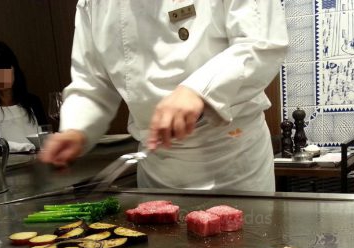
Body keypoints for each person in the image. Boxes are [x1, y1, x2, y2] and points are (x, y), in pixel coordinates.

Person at [39, 1, 288, 192]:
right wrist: (75, 129)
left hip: (232, 162)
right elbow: (93, 83)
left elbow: (262, 43)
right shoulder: (94, 3)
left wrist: (199, 90)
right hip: (156, 166)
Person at [0, 41, 47, 151]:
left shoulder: (33, 101)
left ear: (14, 68)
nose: (0, 72)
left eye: (4, 65)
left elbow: (46, 137)